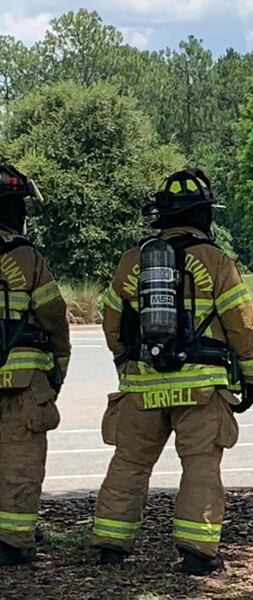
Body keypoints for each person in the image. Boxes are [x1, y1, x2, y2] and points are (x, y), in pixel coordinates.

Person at [92, 169, 253, 575]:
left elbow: (112, 323)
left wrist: (127, 364)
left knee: (130, 462)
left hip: (143, 385)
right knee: (201, 465)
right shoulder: (216, 261)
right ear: (204, 214)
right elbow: (241, 324)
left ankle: (111, 547)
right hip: (201, 388)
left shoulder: (132, 261)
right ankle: (197, 552)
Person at [0, 165, 70, 566]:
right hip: (23, 383)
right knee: (21, 463)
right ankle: (12, 542)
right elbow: (54, 315)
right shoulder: (26, 258)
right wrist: (58, 366)